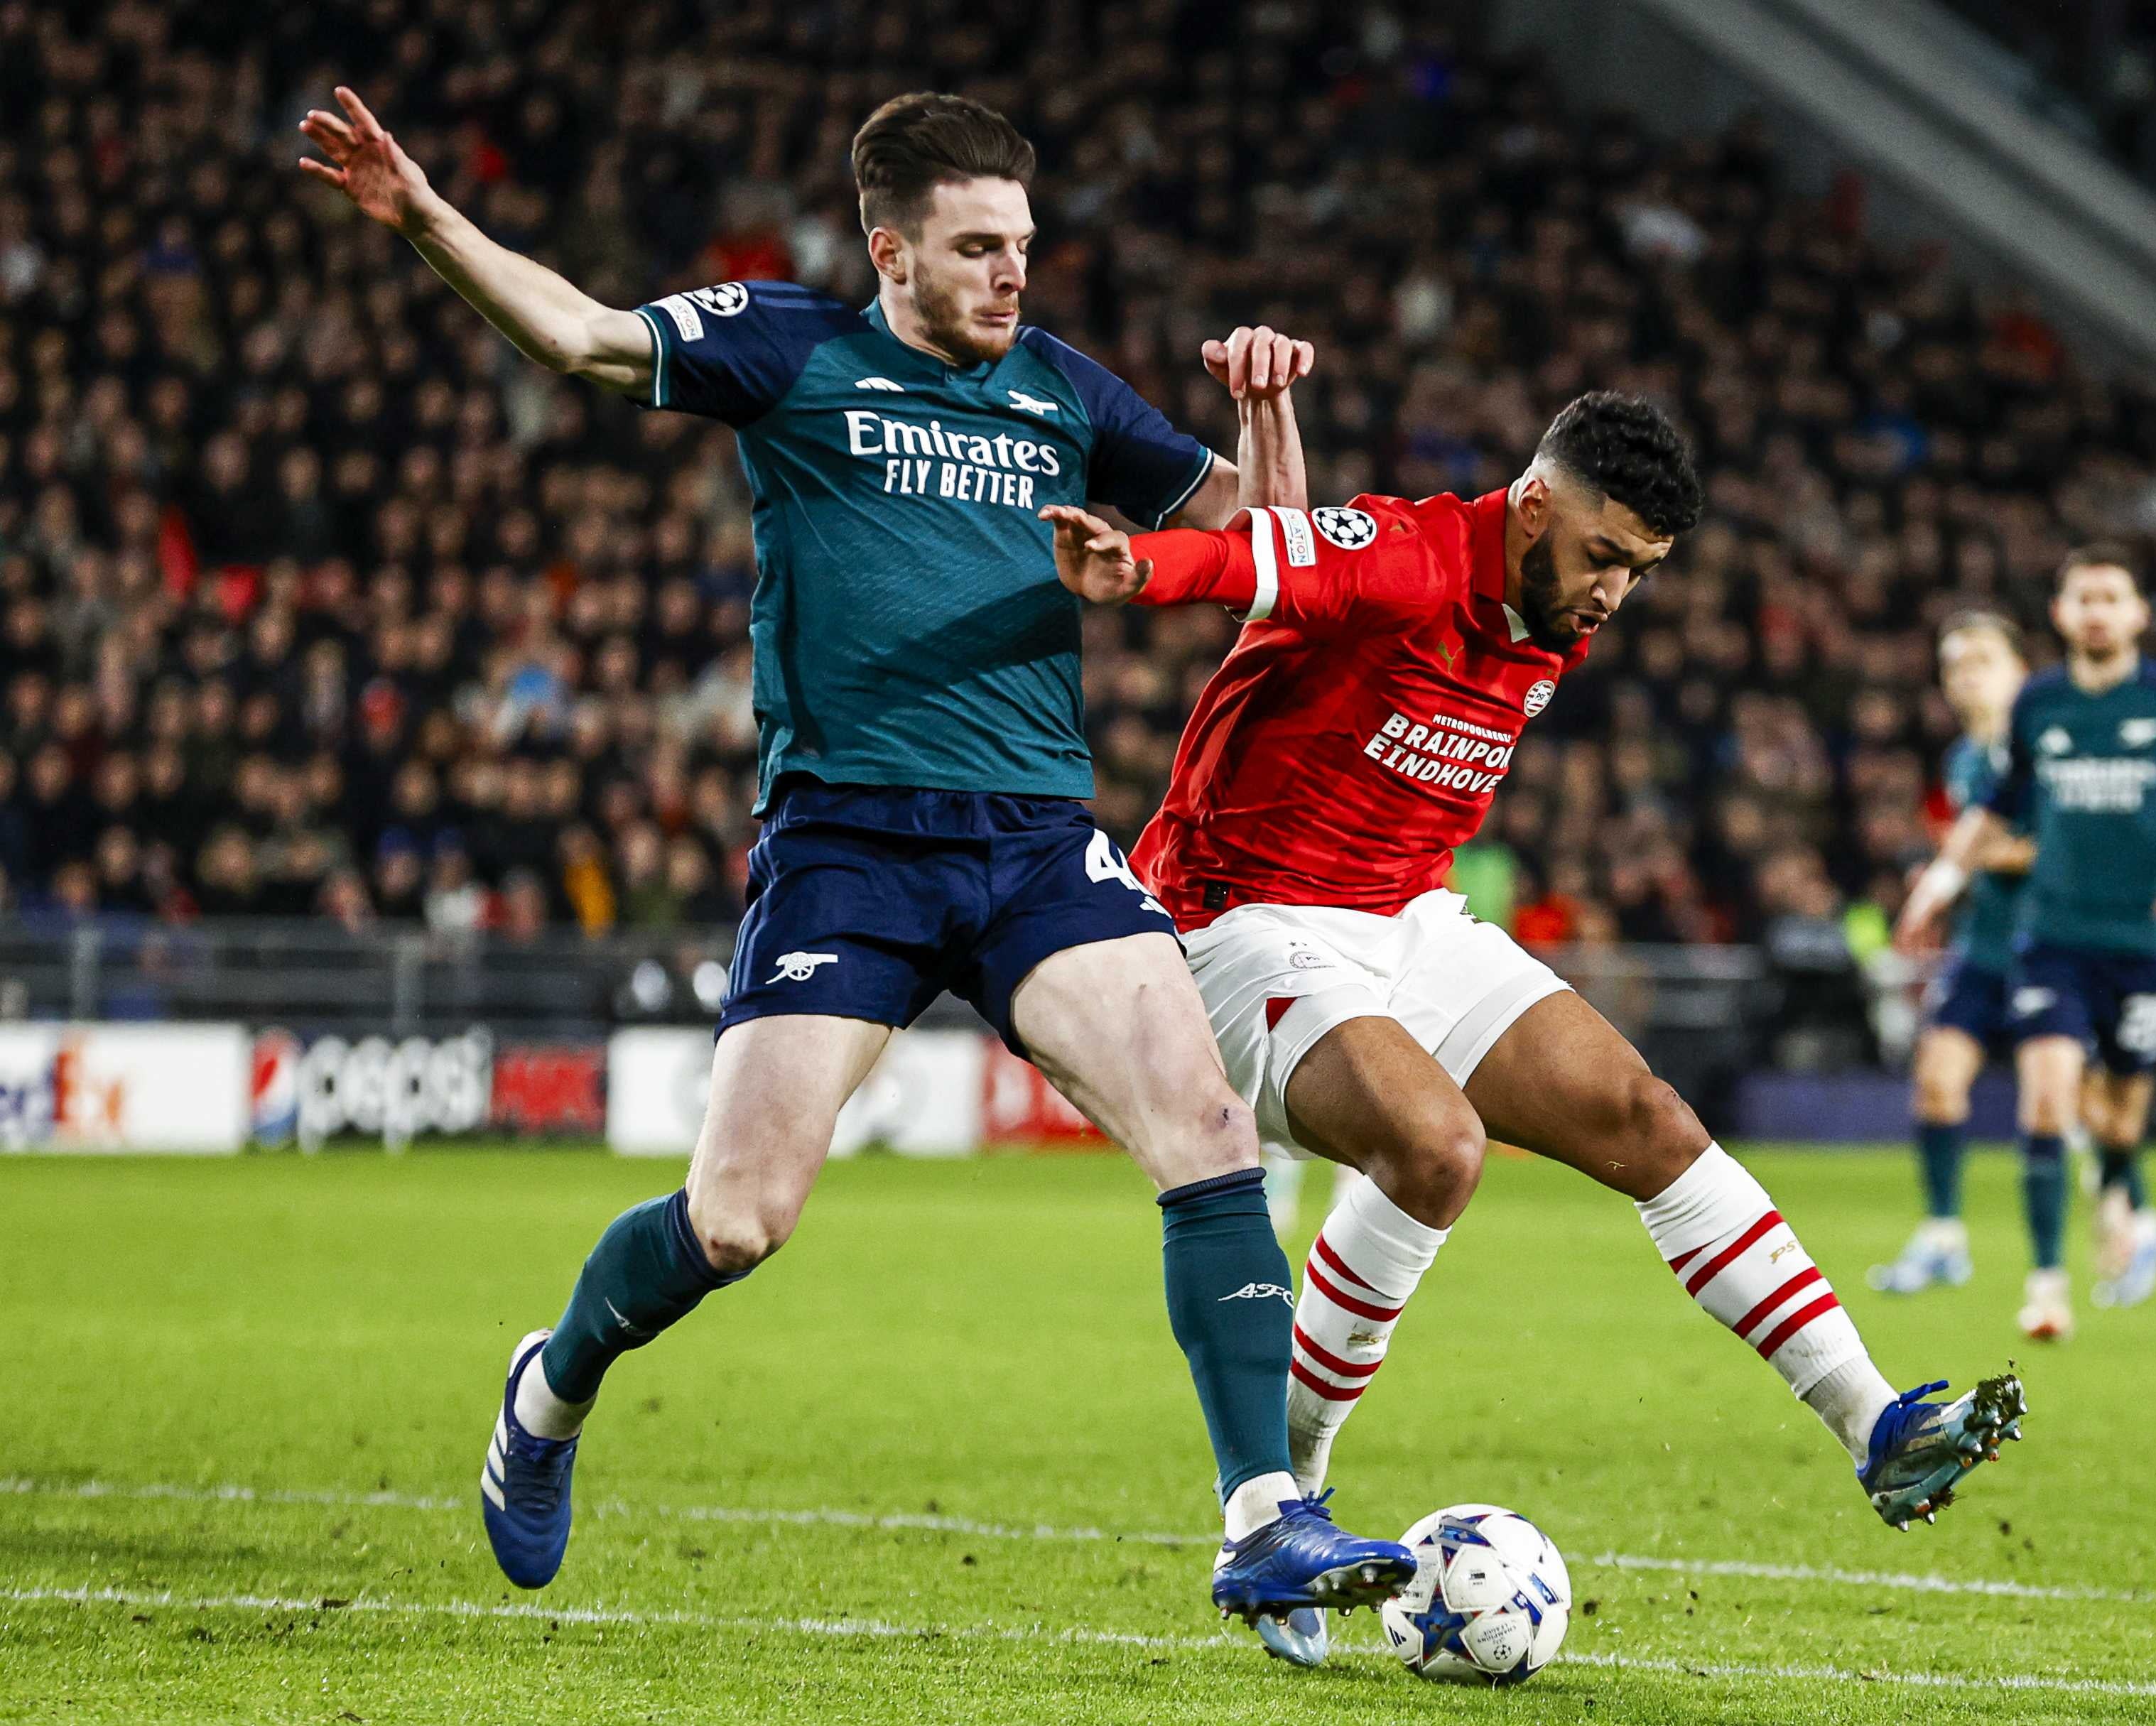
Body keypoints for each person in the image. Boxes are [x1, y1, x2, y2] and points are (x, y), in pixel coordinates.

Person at [298, 86, 1413, 1627]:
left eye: (1021, 244)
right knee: (738, 1220)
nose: (1012, 274)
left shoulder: (1064, 389)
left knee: (1208, 1131)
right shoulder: (790, 347)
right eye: (975, 247)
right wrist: (426, 217)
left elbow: (1271, 571)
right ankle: (548, 1390)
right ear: (888, 251)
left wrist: (1265, 409)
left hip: (1030, 841)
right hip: (849, 844)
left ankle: (1259, 1517)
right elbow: (579, 336)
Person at [1044, 392, 2025, 1668]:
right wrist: (1141, 566)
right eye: (1604, 556)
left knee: (1651, 1122)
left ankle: (1874, 1429)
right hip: (1238, 916)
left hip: (1406, 918)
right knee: (1435, 1147)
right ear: (1532, 507)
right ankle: (1288, 1502)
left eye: (1642, 571)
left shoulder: (1554, 614)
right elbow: (1263, 558)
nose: (1614, 592)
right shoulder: (1411, 556)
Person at [1896, 546, 2156, 1338]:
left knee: (2120, 1122)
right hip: (2048, 939)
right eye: (2082, 599)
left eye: (2111, 598)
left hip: (2139, 942)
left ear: (2136, 614)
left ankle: (2131, 1208)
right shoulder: (2039, 706)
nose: (2096, 612)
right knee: (2046, 1100)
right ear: (2060, 615)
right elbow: (1994, 811)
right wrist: (1937, 887)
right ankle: (2045, 1287)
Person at [1869, 612, 2033, 1296]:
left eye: (1982, 662)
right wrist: (1944, 879)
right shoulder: (1964, 760)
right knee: (1937, 1080)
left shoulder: (2048, 746)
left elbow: (2067, 852)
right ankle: (1942, 1238)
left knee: (2082, 1106)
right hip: (1984, 947)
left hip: (2054, 944)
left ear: (2020, 669)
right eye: (1954, 667)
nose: (1967, 678)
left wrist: (1965, 863)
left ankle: (2122, 1224)